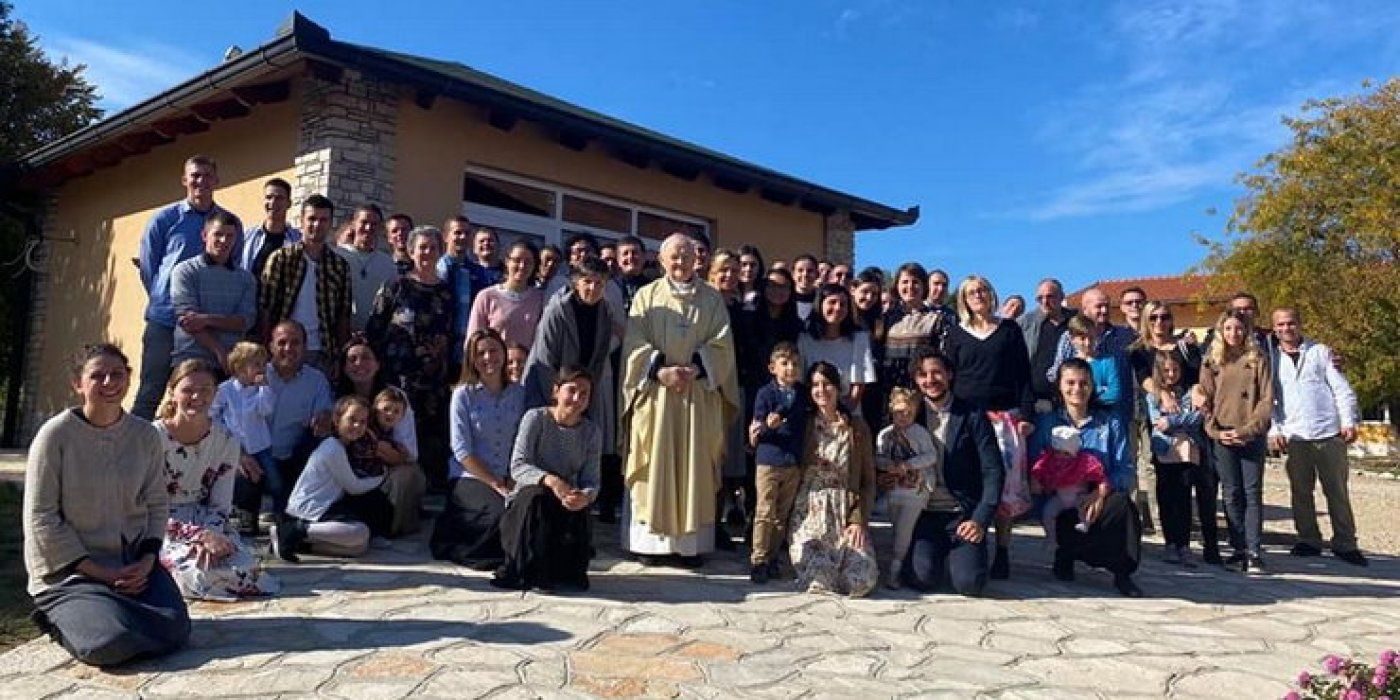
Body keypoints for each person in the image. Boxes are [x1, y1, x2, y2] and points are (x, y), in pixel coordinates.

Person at [24, 344, 191, 666]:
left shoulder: (145, 435)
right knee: (109, 643)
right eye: (97, 376)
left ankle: (113, 615)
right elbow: (41, 517)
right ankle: (66, 617)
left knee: (177, 629)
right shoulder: (55, 436)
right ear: (78, 383)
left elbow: (157, 502)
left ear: (129, 378)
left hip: (130, 566)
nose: (109, 383)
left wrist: (146, 561)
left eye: (117, 374)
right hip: (73, 573)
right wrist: (100, 573)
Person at [621, 234, 740, 566]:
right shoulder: (646, 296)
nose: (680, 262)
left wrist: (698, 368)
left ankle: (690, 546)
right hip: (657, 396)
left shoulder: (712, 300)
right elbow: (634, 344)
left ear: (696, 260)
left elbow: (723, 344)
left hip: (696, 396)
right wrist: (659, 370)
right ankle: (650, 544)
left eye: (686, 256)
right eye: (673, 256)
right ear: (661, 261)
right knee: (653, 462)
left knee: (695, 466)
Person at [155, 359, 280, 600]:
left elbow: (220, 504)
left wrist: (212, 536)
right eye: (188, 390)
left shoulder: (226, 440)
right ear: (172, 392)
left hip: (207, 520)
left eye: (205, 390)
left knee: (246, 572)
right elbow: (145, 506)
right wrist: (198, 537)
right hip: (161, 524)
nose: (197, 397)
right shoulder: (152, 438)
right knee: (195, 574)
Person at [135, 155, 243, 419]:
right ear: (185, 179)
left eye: (207, 175)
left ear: (216, 180)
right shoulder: (165, 219)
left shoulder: (229, 223)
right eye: (195, 175)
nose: (201, 181)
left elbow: (232, 265)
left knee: (201, 398)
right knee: (151, 392)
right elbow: (149, 267)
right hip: (165, 321)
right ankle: (131, 445)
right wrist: (166, 298)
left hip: (206, 326)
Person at [943, 276, 1035, 580]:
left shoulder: (1009, 330)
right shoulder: (956, 334)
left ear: (991, 294)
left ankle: (1003, 551)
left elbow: (1023, 375)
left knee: (1004, 486)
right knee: (971, 479)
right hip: (967, 418)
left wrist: (1026, 415)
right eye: (971, 292)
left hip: (1004, 418)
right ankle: (970, 539)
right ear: (964, 299)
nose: (978, 296)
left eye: (982, 290)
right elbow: (949, 377)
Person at [1031, 358, 1143, 597]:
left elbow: (1125, 470)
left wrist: (1100, 492)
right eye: (1070, 383)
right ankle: (1064, 553)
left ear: (1092, 386)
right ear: (1059, 386)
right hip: (1061, 505)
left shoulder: (1110, 423)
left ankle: (1123, 573)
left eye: (1084, 383)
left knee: (1124, 507)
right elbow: (1035, 468)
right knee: (1060, 518)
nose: (1077, 389)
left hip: (1099, 498)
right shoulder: (1047, 424)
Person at [901, 349, 1003, 596]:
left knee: (969, 584)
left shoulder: (972, 415)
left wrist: (980, 519)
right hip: (924, 512)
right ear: (915, 379)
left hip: (961, 513)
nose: (930, 380)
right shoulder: (909, 415)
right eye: (923, 374)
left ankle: (962, 556)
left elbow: (993, 470)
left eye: (936, 372)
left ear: (949, 374)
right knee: (922, 578)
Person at [1269, 308, 1366, 567]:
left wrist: (1348, 421)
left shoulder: (1321, 352)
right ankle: (1308, 540)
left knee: (1337, 492)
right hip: (1295, 434)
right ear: (1274, 328)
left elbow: (1341, 389)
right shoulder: (1271, 359)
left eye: (1291, 323)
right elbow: (1270, 400)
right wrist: (1275, 429)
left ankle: (1345, 543)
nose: (1286, 328)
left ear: (1300, 324)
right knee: (1300, 492)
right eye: (1280, 324)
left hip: (1327, 433)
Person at [492, 367, 602, 592]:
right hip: (531, 497)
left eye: (584, 394)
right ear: (556, 391)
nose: (577, 398)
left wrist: (585, 496)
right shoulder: (536, 419)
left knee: (578, 509)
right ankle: (533, 570)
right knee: (539, 498)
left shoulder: (591, 433)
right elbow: (518, 466)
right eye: (572, 390)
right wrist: (550, 480)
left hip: (565, 498)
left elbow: (592, 480)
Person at [366, 225, 455, 489]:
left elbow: (450, 333)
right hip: (399, 379)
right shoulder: (396, 285)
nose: (427, 253)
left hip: (434, 382)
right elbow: (375, 328)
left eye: (433, 248)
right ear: (411, 251)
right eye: (422, 247)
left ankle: (425, 490)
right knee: (397, 434)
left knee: (429, 439)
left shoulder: (446, 292)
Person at [431, 329, 526, 569]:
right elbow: (462, 451)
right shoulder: (463, 395)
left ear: (503, 353)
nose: (488, 358)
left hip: (512, 474)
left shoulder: (520, 394)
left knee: (523, 513)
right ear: (471, 360)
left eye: (493, 350)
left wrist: (513, 477)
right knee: (497, 516)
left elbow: (524, 442)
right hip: (472, 476)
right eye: (480, 353)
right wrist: (495, 483)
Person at [231, 321, 334, 526]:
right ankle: (245, 512)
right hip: (253, 456)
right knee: (239, 466)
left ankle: (285, 512)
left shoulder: (317, 381)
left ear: (305, 347)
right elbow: (227, 421)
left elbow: (325, 418)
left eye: (295, 343)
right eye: (282, 342)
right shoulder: (251, 377)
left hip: (291, 460)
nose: (288, 348)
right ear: (270, 346)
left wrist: (324, 420)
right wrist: (239, 454)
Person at [788, 362, 878, 597]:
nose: (821, 390)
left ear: (838, 388)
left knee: (860, 580)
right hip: (810, 509)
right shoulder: (804, 424)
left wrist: (858, 520)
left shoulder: (857, 428)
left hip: (845, 508)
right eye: (815, 385)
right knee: (820, 577)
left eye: (827, 384)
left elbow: (868, 481)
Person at [1199, 310, 1274, 574]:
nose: (1234, 333)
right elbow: (1205, 400)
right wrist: (1215, 431)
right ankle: (1238, 547)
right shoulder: (1212, 361)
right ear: (1221, 331)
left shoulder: (1258, 359)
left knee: (1252, 492)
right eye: (1228, 328)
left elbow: (1266, 399)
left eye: (1239, 328)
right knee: (1231, 493)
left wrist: (1250, 429)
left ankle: (1254, 551)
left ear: (1246, 331)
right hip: (1223, 435)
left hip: (1250, 434)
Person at [273, 395, 387, 561]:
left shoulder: (346, 446)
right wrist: (381, 478)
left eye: (363, 422)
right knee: (361, 532)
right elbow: (353, 487)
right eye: (352, 419)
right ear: (337, 420)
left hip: (326, 507)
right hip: (308, 510)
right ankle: (292, 530)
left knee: (358, 547)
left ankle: (298, 543)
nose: (357, 425)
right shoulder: (333, 447)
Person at [334, 336, 426, 536]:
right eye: (352, 359)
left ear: (378, 364)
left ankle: (393, 528)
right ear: (344, 367)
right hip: (346, 466)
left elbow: (409, 454)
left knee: (408, 475)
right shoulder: (334, 396)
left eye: (366, 358)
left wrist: (383, 451)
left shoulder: (395, 397)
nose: (359, 364)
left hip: (387, 468)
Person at [257, 194, 351, 376]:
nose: (317, 225)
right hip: (284, 349)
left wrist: (342, 355)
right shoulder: (281, 259)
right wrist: (265, 348)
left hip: (322, 351)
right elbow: (266, 308)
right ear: (301, 221)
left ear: (330, 223)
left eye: (323, 220)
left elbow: (343, 315)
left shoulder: (339, 266)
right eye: (312, 219)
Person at [1144, 351, 1216, 566]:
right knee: (1166, 498)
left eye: (1175, 369)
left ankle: (1183, 544)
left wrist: (1174, 421)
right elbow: (1158, 421)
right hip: (1164, 452)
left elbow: (1197, 417)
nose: (1171, 374)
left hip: (1186, 452)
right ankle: (1170, 543)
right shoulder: (1153, 396)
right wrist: (1176, 421)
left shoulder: (1189, 393)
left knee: (1183, 498)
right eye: (1166, 370)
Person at [747, 342, 809, 584]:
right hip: (769, 460)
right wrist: (767, 426)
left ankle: (772, 557)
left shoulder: (802, 393)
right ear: (773, 368)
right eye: (785, 364)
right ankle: (759, 559)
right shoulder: (766, 394)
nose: (790, 368)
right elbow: (757, 430)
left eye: (795, 364)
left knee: (782, 514)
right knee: (764, 511)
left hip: (792, 461)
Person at [170, 211, 256, 371]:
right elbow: (188, 321)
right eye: (218, 234)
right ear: (204, 235)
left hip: (232, 363)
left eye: (230, 236)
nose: (224, 241)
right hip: (191, 360)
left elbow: (245, 322)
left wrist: (206, 319)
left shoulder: (246, 279)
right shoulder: (185, 271)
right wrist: (219, 351)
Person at [708, 250, 752, 549]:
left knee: (727, 463)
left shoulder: (742, 310)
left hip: (735, 389)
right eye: (724, 270)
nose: (729, 276)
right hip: (706, 391)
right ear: (711, 271)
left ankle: (717, 524)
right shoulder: (702, 305)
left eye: (735, 271)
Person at [876, 388, 939, 589]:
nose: (903, 416)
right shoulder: (885, 435)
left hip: (915, 490)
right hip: (894, 489)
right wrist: (889, 466)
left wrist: (910, 464)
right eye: (899, 412)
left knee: (904, 529)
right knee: (897, 527)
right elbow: (878, 458)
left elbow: (931, 456)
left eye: (908, 412)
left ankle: (895, 568)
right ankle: (902, 563)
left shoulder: (920, 433)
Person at [211, 342, 279, 512]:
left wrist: (264, 388)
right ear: (240, 367)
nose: (261, 369)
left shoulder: (261, 390)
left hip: (260, 445)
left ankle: (270, 508)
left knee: (273, 479)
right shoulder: (225, 390)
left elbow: (266, 409)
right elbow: (213, 414)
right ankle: (240, 510)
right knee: (242, 479)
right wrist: (225, 431)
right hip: (236, 446)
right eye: (256, 365)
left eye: (263, 365)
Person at [798, 283, 876, 413]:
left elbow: (859, 384)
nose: (838, 308)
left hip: (849, 412)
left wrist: (844, 414)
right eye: (832, 302)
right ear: (820, 305)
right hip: (812, 412)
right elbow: (800, 381)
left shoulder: (859, 338)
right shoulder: (805, 339)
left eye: (843, 304)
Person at [881, 262, 950, 407]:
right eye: (905, 282)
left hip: (925, 393)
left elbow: (943, 358)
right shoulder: (885, 319)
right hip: (890, 394)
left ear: (924, 286)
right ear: (897, 285)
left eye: (915, 282)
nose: (910, 286)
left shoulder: (936, 320)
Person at [1029, 426, 1107, 548]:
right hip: (1060, 498)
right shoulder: (1048, 460)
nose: (1060, 456)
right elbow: (1037, 470)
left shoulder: (1084, 461)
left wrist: (1100, 492)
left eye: (1065, 453)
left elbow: (1100, 477)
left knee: (1085, 509)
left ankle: (1085, 525)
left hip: (1079, 496)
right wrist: (1036, 482)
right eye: (1057, 452)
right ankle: (1051, 538)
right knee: (1048, 513)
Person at [467, 240, 546, 350]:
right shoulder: (487, 296)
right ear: (507, 261)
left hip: (528, 360)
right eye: (517, 260)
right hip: (494, 360)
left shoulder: (540, 299)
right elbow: (473, 340)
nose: (522, 266)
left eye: (528, 262)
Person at [336, 204, 398, 332]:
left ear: (380, 228)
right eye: (364, 222)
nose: (368, 228)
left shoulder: (388, 264)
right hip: (342, 333)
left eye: (374, 224)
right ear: (354, 224)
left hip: (377, 334)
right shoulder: (338, 256)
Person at [1018, 278, 1076, 412]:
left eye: (1050, 297)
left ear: (1062, 297)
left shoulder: (1075, 322)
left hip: (1070, 400)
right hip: (1036, 401)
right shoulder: (1025, 324)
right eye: (1040, 298)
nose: (1045, 302)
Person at [239, 177, 300, 279]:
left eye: (279, 198)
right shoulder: (247, 237)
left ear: (289, 203)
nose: (273, 202)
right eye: (268, 197)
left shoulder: (297, 240)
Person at [438, 217, 477, 365]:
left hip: (467, 348)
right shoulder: (437, 269)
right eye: (458, 232)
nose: (463, 237)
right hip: (442, 345)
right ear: (446, 236)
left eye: (467, 233)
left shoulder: (477, 272)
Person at [791, 254, 821, 321]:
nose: (805, 274)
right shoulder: (784, 299)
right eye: (800, 270)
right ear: (793, 274)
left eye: (810, 271)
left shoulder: (822, 299)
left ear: (817, 274)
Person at [737, 244, 766, 312]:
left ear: (759, 268)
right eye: (744, 264)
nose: (748, 269)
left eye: (753, 265)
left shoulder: (766, 293)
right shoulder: (730, 293)